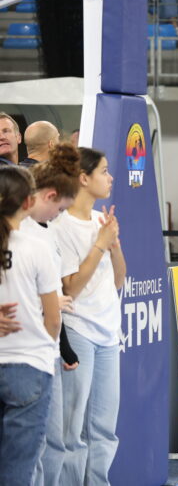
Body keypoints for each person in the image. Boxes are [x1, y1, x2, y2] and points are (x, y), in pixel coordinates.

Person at [51, 147, 127, 484]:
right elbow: (71, 288)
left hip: (109, 332)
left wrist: (114, 243)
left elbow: (119, 279)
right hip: (78, 330)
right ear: (83, 178)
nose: (110, 178)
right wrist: (99, 244)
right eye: (104, 171)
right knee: (73, 428)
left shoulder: (101, 221)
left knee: (104, 428)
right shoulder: (61, 226)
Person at [23, 143, 82, 486]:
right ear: (49, 196)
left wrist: (62, 346)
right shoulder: (21, 236)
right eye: (59, 209)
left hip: (47, 347)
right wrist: (47, 304)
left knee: (53, 441)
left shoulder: (47, 233)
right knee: (32, 444)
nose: (59, 216)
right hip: (26, 352)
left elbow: (54, 300)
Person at [0, 166, 61, 486]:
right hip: (29, 365)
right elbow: (53, 317)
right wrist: (45, 348)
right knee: (18, 471)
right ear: (27, 202)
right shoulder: (36, 247)